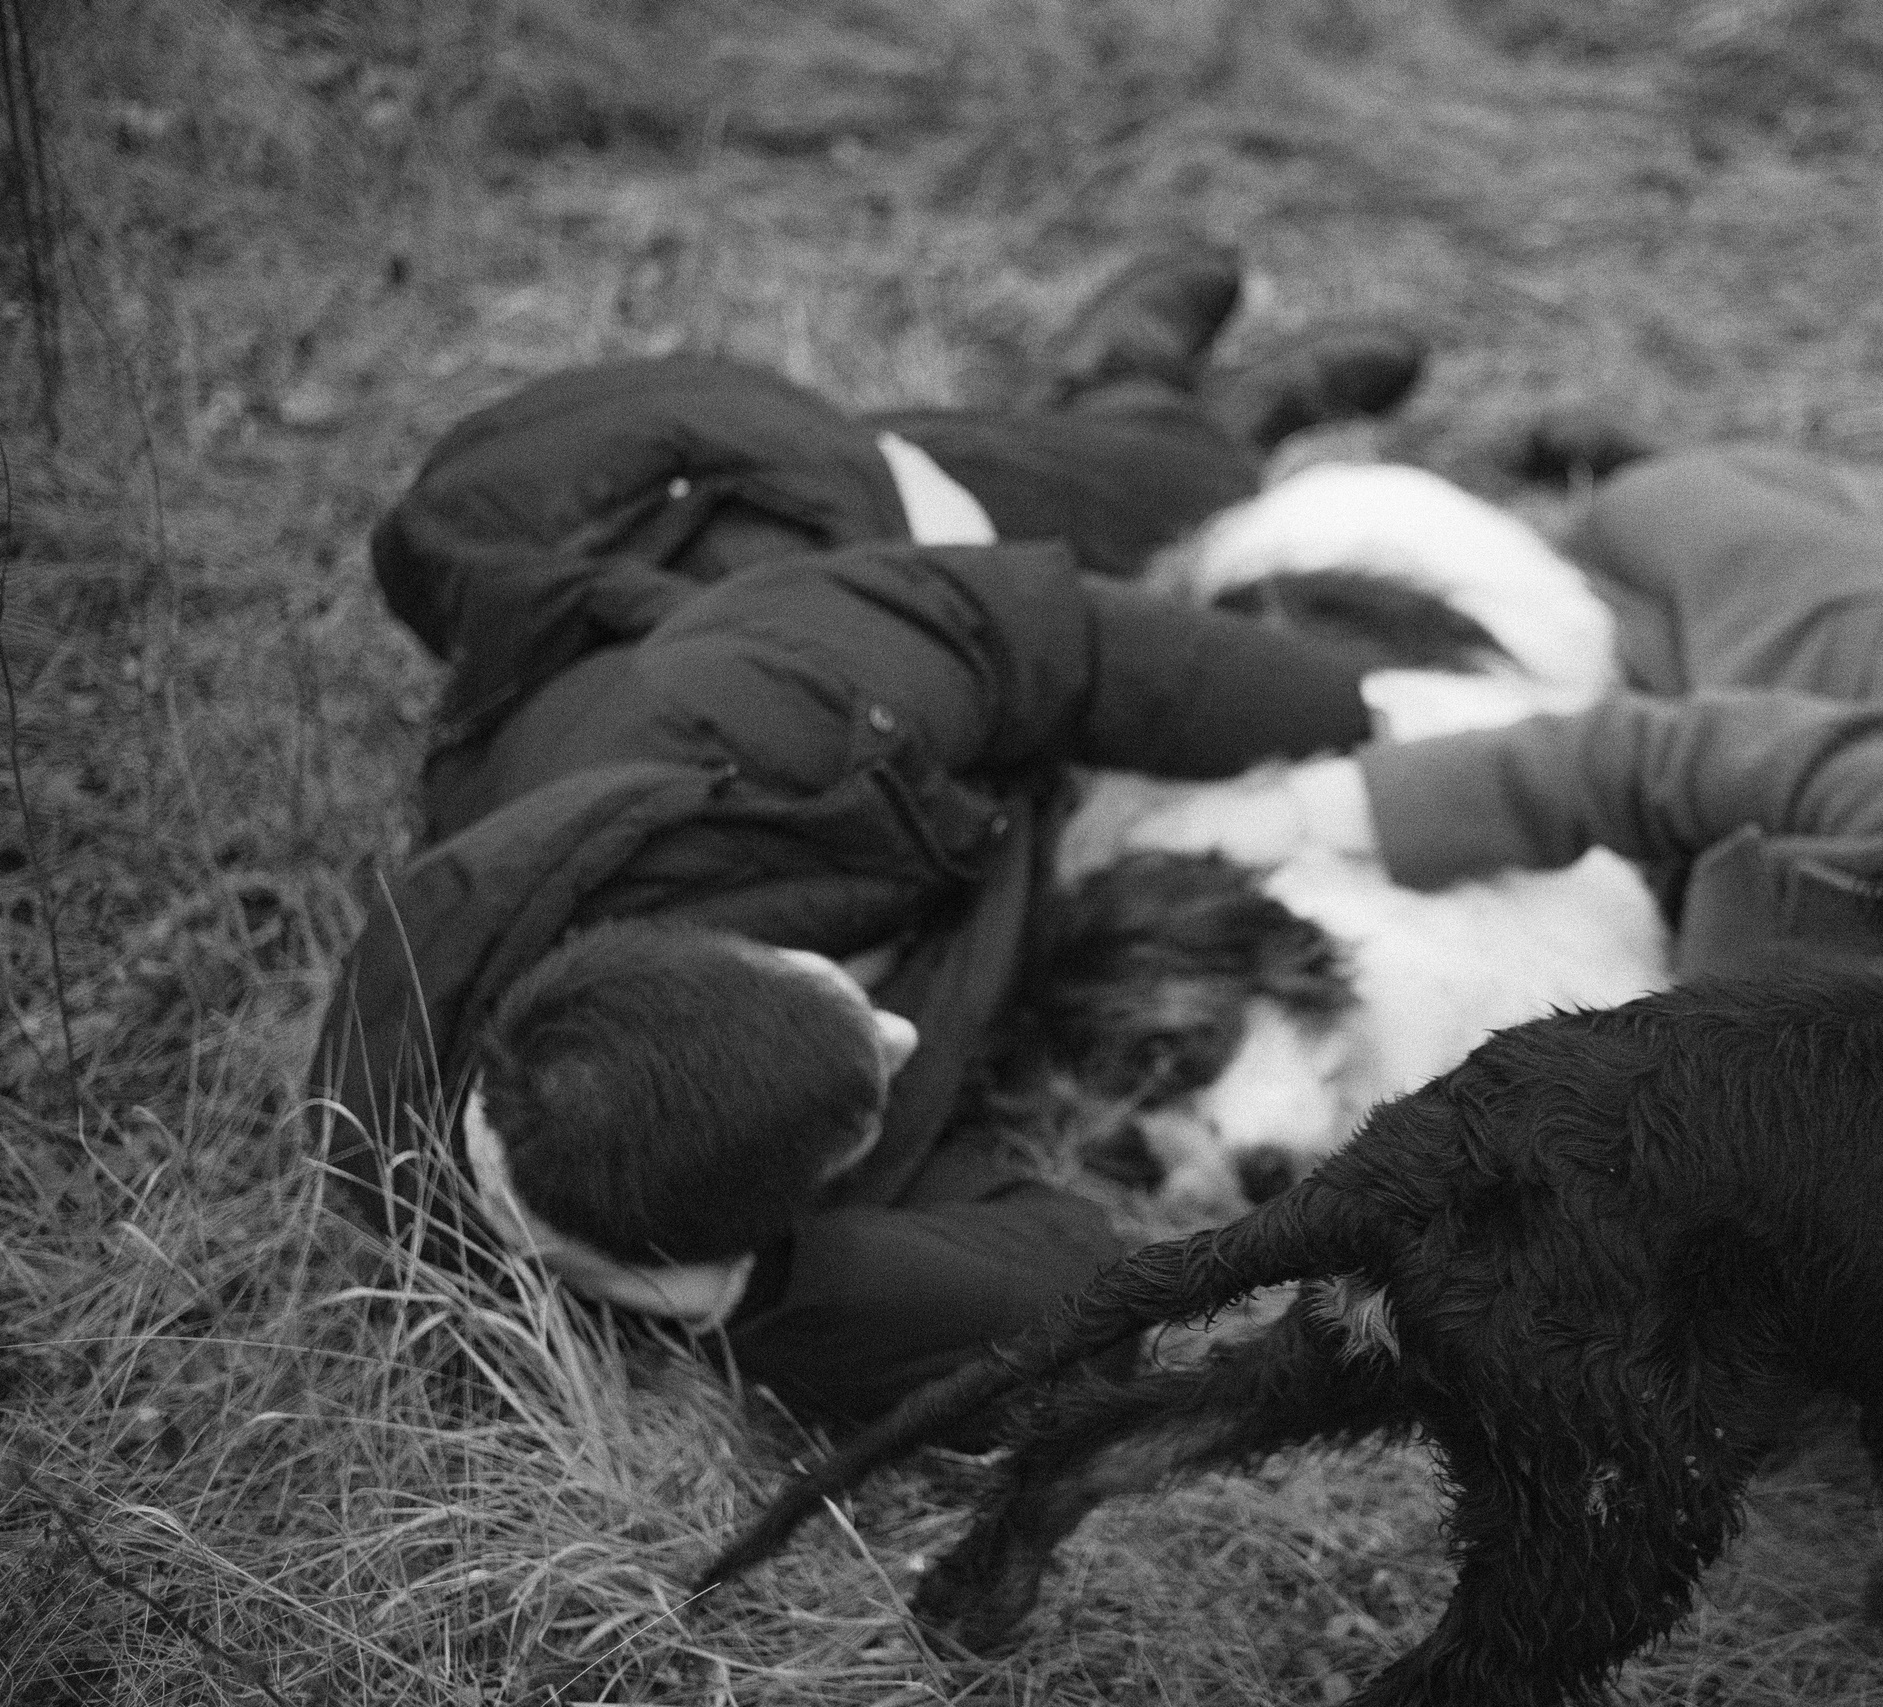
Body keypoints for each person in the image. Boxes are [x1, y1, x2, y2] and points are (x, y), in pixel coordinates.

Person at [310, 244, 1426, 1423]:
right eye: (864, 1105)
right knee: (1109, 497)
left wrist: (1367, 716)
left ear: (708, 954)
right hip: (932, 747)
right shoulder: (696, 1183)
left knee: (1169, 503)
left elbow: (1054, 644)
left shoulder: (760, 728)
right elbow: (1086, 1302)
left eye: (833, 999)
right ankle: (1121, 395)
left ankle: (1177, 406)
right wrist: (750, 1296)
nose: (899, 1033)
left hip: (792, 534)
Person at [1134, 438, 1883, 983]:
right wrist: (1332, 809)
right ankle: (1880, 494)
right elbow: (1642, 762)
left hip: (1732, 724)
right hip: (1833, 637)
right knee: (1656, 507)